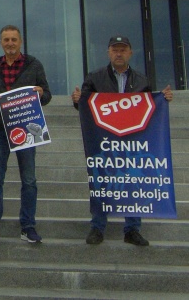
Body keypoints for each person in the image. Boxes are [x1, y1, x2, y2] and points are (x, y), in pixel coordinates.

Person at [71, 35, 173, 246]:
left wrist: (163, 98)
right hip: (103, 140)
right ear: (108, 52)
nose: (119, 53)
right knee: (101, 181)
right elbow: (85, 107)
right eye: (115, 49)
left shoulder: (142, 80)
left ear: (130, 52)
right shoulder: (94, 77)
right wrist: (76, 101)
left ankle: (132, 229)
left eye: (123, 49)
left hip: (132, 140)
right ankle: (97, 227)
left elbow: (150, 108)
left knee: (134, 182)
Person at [0, 24, 51, 243]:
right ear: (1, 42)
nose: (10, 43)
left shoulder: (34, 64)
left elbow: (47, 96)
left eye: (13, 40)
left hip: (26, 129)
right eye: (6, 39)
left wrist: (40, 92)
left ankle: (28, 226)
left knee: (29, 180)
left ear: (20, 42)